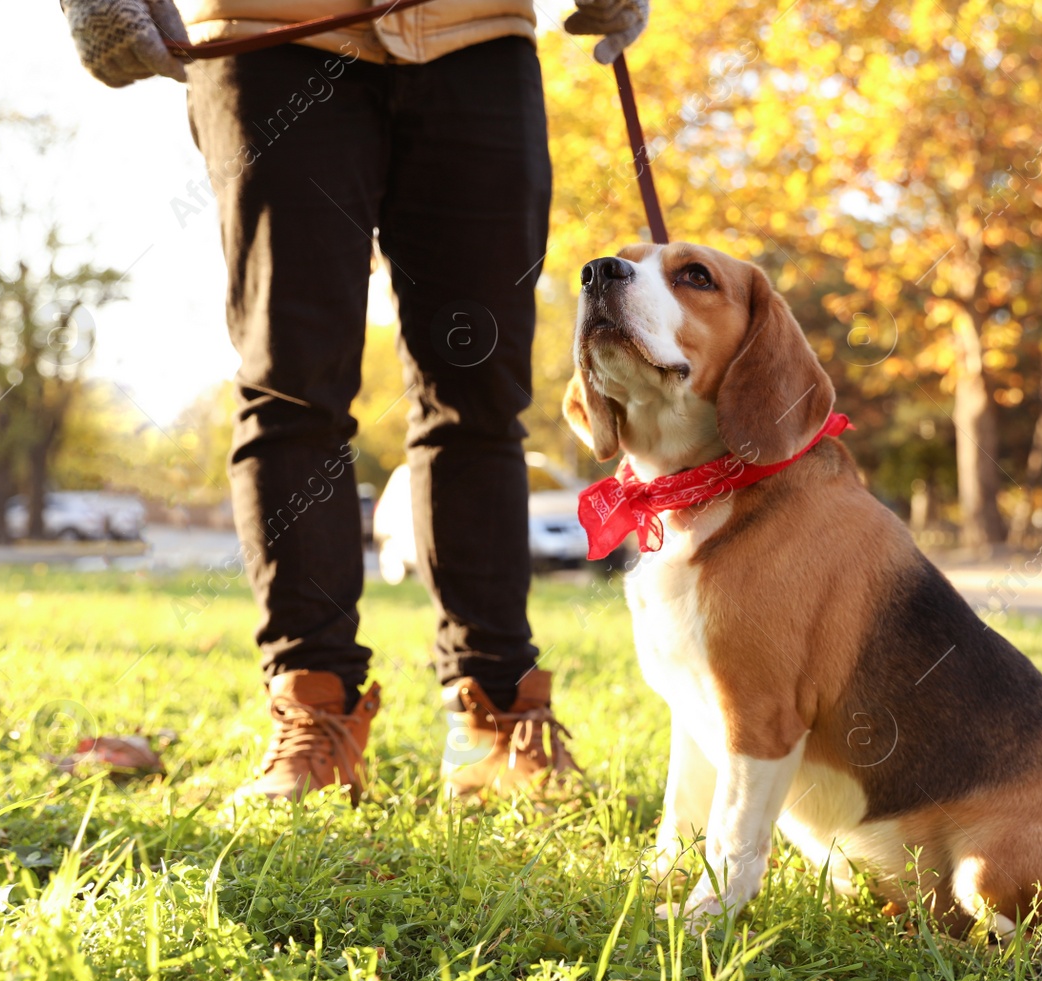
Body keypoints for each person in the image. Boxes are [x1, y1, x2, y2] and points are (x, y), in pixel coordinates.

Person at [60, 0, 647, 802]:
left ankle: (497, 709)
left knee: (479, 391)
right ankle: (315, 711)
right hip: (269, 30)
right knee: (292, 382)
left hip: (475, 34)